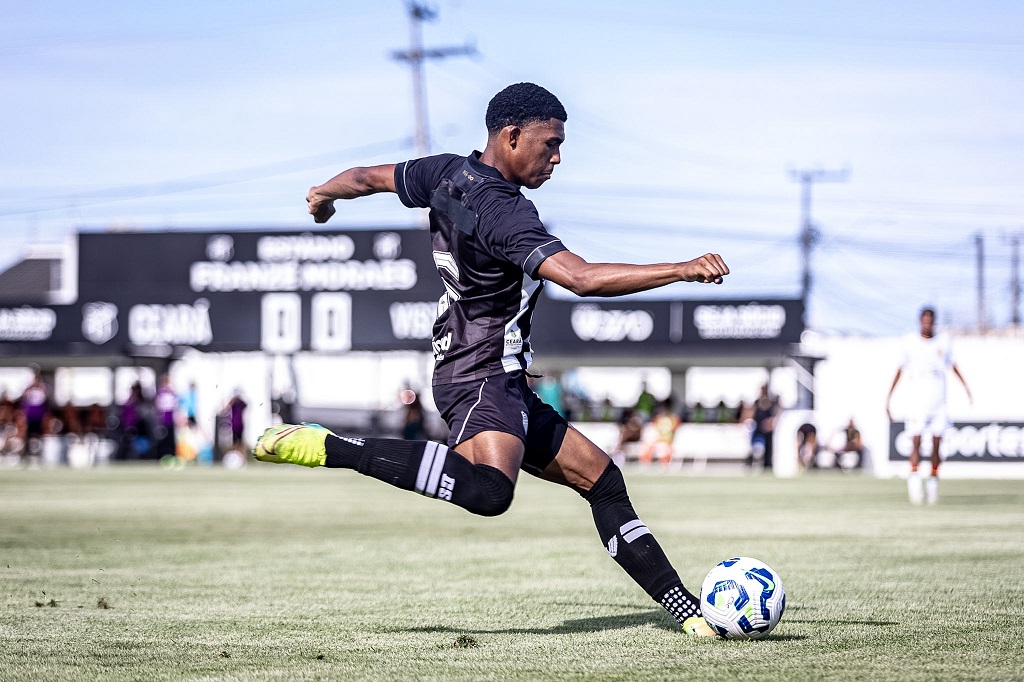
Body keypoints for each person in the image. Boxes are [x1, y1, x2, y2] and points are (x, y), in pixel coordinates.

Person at [254, 83, 729, 637]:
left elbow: (365, 178)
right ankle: (330, 446)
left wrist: (322, 195)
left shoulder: (443, 172)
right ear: (512, 136)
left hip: (489, 371)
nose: (557, 157)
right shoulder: (505, 212)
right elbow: (581, 279)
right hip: (481, 373)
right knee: (488, 491)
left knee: (603, 481)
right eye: (551, 144)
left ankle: (688, 613)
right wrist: (681, 269)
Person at [886, 307, 971, 505]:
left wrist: (966, 388)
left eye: (930, 320)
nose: (927, 323)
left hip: (939, 404)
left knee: (936, 444)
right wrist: (889, 397)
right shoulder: (910, 342)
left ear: (933, 321)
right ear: (920, 321)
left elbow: (953, 365)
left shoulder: (944, 342)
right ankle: (914, 481)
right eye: (924, 320)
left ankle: (933, 481)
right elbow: (899, 369)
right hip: (918, 403)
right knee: (915, 440)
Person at [746, 384, 781, 472]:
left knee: (768, 449)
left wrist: (770, 423)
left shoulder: (771, 402)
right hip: (758, 428)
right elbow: (752, 413)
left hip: (767, 429)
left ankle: (767, 466)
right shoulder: (757, 402)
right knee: (752, 448)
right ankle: (750, 464)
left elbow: (775, 414)